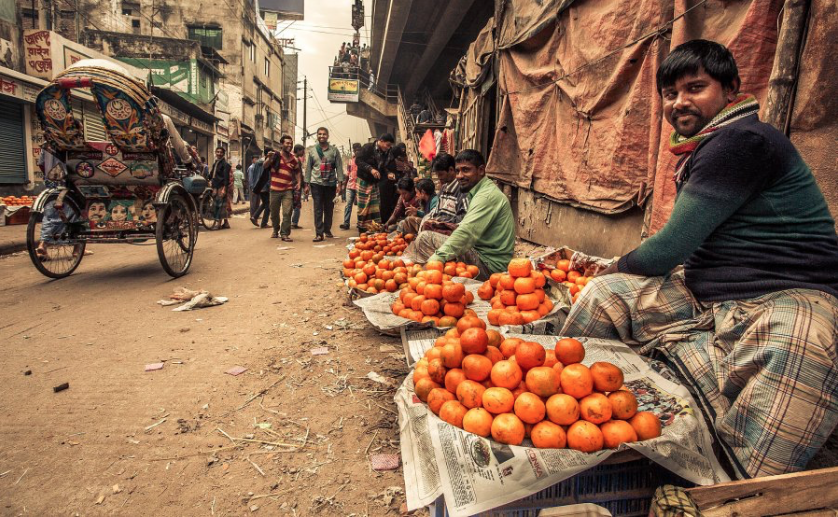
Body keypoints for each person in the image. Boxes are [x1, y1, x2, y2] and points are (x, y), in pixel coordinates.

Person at [561, 40, 838, 480]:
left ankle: (735, 485)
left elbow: (670, 248)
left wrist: (613, 264)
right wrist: (611, 276)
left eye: (695, 88)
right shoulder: (704, 148)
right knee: (606, 297)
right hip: (709, 292)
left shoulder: (743, 140)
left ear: (731, 90)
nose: (679, 102)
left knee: (802, 342)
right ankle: (571, 408)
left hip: (785, 291)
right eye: (670, 94)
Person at [404, 150, 515, 279]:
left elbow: (466, 233)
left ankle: (430, 277)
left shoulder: (486, 196)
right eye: (458, 171)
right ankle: (432, 277)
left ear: (481, 170)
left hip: (489, 265)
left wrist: (434, 260)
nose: (460, 176)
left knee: (426, 239)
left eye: (466, 170)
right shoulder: (477, 192)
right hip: (480, 254)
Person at [304, 127, 344, 241]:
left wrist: (340, 184)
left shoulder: (334, 151)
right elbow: (308, 169)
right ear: (317, 136)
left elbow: (339, 168)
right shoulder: (312, 151)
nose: (322, 136)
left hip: (330, 184)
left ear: (328, 136)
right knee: (317, 208)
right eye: (320, 134)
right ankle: (319, 233)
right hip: (316, 183)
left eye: (324, 134)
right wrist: (306, 185)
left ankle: (327, 229)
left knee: (329, 208)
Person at [258, 135, 299, 241]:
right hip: (274, 189)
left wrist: (299, 182)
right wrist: (270, 158)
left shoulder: (293, 159)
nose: (289, 145)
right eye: (287, 143)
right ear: (281, 144)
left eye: (291, 143)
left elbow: (297, 171)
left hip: (288, 190)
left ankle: (285, 233)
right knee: (274, 212)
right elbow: (265, 166)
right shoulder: (275, 155)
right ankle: (275, 230)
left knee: (287, 212)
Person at [355, 133, 395, 232]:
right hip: (364, 180)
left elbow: (385, 166)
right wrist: (371, 169)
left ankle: (374, 229)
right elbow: (358, 161)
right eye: (387, 145)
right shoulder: (368, 148)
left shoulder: (388, 152)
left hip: (375, 182)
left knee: (375, 206)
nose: (388, 147)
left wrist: (389, 173)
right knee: (364, 207)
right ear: (381, 141)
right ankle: (362, 229)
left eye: (390, 145)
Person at [420, 153, 469, 235]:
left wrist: (441, 221)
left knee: (425, 233)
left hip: (452, 231)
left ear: (451, 170)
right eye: (437, 174)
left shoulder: (462, 190)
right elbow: (436, 211)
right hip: (438, 225)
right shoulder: (443, 188)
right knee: (409, 221)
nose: (439, 177)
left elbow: (463, 218)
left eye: (441, 174)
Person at [340, 142, 362, 230]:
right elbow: (347, 174)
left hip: (360, 186)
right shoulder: (350, 161)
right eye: (355, 150)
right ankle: (346, 223)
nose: (356, 151)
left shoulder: (363, 160)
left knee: (360, 206)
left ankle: (360, 223)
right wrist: (343, 186)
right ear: (353, 150)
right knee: (348, 205)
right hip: (350, 186)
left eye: (358, 149)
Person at [209, 146, 231, 228]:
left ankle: (218, 224)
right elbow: (211, 175)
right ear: (215, 152)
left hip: (222, 186)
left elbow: (226, 178)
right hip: (215, 186)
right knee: (220, 204)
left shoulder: (226, 165)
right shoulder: (215, 163)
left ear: (223, 154)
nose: (219, 153)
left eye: (221, 152)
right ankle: (226, 223)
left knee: (220, 205)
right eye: (217, 152)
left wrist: (224, 189)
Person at [250, 149, 271, 228]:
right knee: (268, 204)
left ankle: (254, 216)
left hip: (259, 186)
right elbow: (265, 176)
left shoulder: (257, 163)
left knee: (266, 203)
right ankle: (263, 222)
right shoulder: (265, 163)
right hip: (264, 186)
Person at [291, 144, 306, 229]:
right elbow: (299, 174)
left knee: (291, 204)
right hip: (296, 184)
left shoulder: (290, 157)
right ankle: (294, 222)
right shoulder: (297, 160)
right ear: (299, 150)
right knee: (297, 205)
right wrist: (303, 185)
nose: (303, 153)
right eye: (302, 151)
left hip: (290, 184)